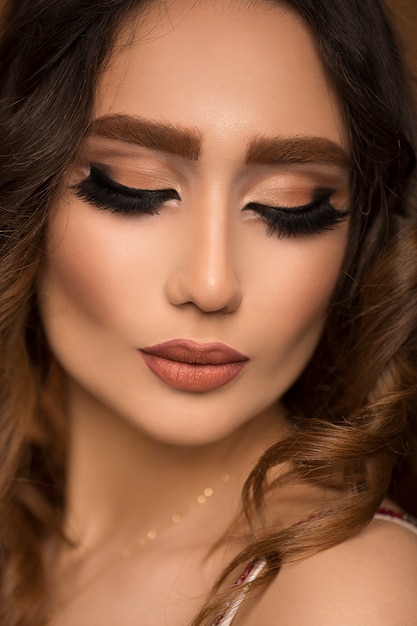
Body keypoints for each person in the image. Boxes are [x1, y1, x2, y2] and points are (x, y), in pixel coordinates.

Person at [0, 0, 417, 624]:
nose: (212, 284)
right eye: (132, 186)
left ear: (358, 239)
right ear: (23, 192)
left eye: (292, 206)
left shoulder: (351, 594)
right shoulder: (23, 536)